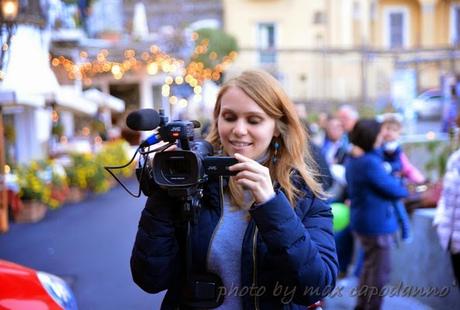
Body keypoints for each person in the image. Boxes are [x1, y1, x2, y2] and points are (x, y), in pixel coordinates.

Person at [130, 70, 338, 309]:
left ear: (277, 127)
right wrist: (165, 188)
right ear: (217, 120)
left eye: (254, 120)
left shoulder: (304, 195)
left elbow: (316, 287)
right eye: (229, 117)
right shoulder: (191, 182)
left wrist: (271, 204)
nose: (239, 130)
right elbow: (150, 279)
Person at [345, 119, 409, 310]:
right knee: (380, 273)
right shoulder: (370, 163)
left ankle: (361, 305)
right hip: (376, 227)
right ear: (372, 137)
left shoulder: (355, 159)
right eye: (380, 134)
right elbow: (395, 191)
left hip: (362, 223)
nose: (383, 137)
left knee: (368, 268)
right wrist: (401, 184)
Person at [380, 114, 425, 243]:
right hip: (386, 182)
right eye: (386, 129)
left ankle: (405, 229)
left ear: (398, 133)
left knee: (398, 206)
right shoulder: (380, 146)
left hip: (394, 182)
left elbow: (403, 166)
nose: (389, 133)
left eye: (393, 130)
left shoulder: (395, 148)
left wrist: (419, 180)